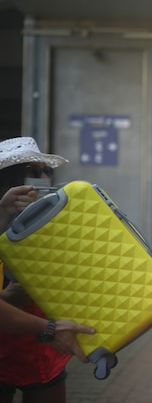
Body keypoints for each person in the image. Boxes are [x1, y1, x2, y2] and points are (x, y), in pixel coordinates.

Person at [0, 136, 87, 403]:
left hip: (45, 353)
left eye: (46, 171)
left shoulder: (63, 220)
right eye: (31, 171)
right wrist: (7, 300)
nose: (41, 177)